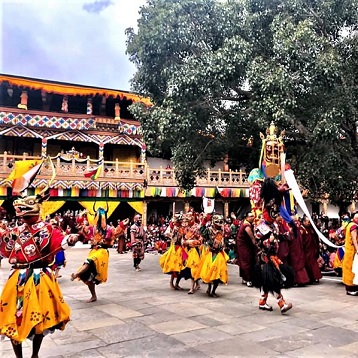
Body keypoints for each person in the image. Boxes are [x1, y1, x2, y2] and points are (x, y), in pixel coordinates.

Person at [0, 192, 78, 358]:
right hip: (18, 277)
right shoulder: (16, 230)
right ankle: (18, 356)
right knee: (14, 318)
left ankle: (35, 354)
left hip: (40, 278)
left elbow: (61, 241)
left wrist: (70, 239)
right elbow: (5, 246)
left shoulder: (48, 229)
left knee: (40, 320)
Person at [71, 206, 113, 302]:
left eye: (102, 216)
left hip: (102, 252)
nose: (100, 218)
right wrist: (81, 216)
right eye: (98, 216)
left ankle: (76, 274)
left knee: (89, 261)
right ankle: (93, 296)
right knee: (87, 274)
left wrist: (123, 225)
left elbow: (112, 239)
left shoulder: (109, 229)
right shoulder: (92, 228)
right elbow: (80, 226)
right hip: (94, 251)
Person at [199, 213, 229, 298]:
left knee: (219, 273)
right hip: (211, 253)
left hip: (219, 253)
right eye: (217, 221)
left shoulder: (223, 230)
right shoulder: (209, 230)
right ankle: (209, 288)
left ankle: (213, 291)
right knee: (210, 271)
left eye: (221, 221)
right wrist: (203, 221)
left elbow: (227, 236)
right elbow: (201, 232)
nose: (219, 223)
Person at [236, 211, 256, 287]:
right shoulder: (246, 225)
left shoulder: (245, 223)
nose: (252, 217)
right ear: (246, 218)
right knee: (247, 261)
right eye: (250, 216)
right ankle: (248, 279)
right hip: (244, 246)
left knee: (243, 261)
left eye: (253, 216)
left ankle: (244, 278)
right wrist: (254, 242)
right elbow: (252, 237)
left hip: (243, 245)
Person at [300, 216, 322, 284]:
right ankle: (309, 278)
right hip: (306, 250)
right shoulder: (301, 229)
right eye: (308, 222)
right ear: (304, 222)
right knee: (307, 264)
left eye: (310, 222)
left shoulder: (311, 228)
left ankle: (315, 277)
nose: (309, 223)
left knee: (313, 263)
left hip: (312, 248)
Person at [342, 212, 358, 295]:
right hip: (352, 251)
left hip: (349, 250)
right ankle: (351, 289)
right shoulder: (353, 226)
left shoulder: (349, 225)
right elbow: (354, 239)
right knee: (351, 269)